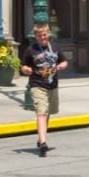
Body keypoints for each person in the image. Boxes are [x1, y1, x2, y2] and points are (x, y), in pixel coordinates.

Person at [21, 23, 69, 157]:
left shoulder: (55, 47)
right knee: (41, 112)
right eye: (40, 35)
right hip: (37, 84)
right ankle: (43, 143)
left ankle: (40, 137)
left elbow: (64, 62)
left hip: (52, 84)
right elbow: (23, 66)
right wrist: (26, 70)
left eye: (44, 34)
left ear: (48, 34)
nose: (43, 37)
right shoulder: (30, 50)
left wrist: (59, 67)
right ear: (35, 36)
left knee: (48, 112)